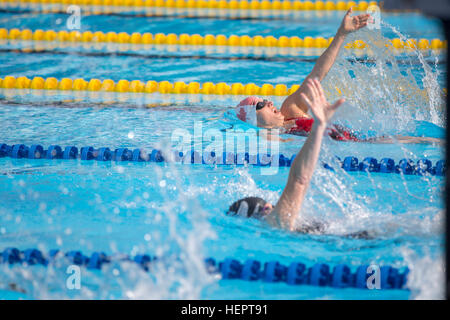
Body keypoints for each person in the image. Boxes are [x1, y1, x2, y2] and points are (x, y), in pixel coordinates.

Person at [235, 9, 442, 145]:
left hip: (361, 142)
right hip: (352, 150)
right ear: (253, 120)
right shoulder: (271, 141)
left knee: (426, 142)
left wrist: (341, 34)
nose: (268, 100)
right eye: (259, 104)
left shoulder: (291, 109)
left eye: (264, 99)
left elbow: (318, 73)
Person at [228, 79, 370, 239]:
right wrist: (319, 126)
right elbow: (299, 179)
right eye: (262, 208)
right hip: (360, 237)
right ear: (259, 218)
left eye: (265, 203)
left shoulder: (281, 227)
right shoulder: (276, 222)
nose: (270, 206)